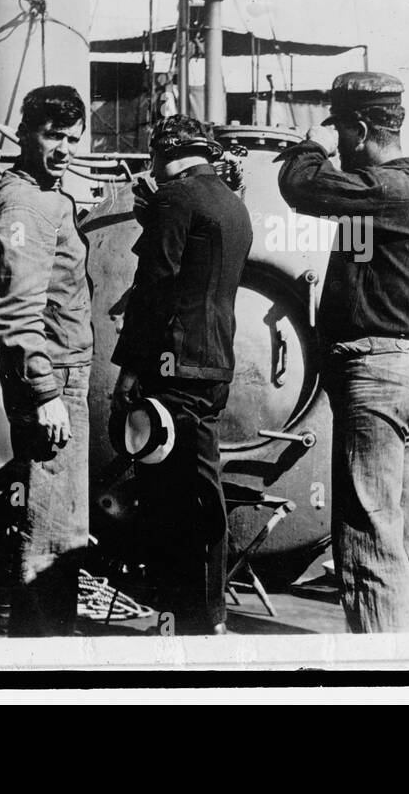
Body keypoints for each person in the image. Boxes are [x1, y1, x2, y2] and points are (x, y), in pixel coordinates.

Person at [277, 71, 409, 633]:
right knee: (407, 531)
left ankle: (385, 677)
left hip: (375, 377)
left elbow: (302, 186)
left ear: (360, 128)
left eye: (340, 131)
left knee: (367, 542)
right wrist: (407, 313)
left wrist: (304, 145)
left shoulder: (385, 189)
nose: (338, 144)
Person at [111, 115, 253, 636]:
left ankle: (186, 622)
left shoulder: (175, 198)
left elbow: (154, 293)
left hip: (171, 370)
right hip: (211, 367)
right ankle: (205, 616)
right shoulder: (232, 204)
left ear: (161, 154)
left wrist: (126, 379)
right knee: (199, 492)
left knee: (171, 504)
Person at [0, 85, 93, 636]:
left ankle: (36, 639)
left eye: (73, 138)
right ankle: (44, 655)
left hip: (62, 372)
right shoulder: (25, 204)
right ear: (24, 132)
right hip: (53, 378)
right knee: (51, 529)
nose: (65, 148)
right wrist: (46, 393)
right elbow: (16, 314)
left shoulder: (47, 196)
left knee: (55, 522)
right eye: (53, 136)